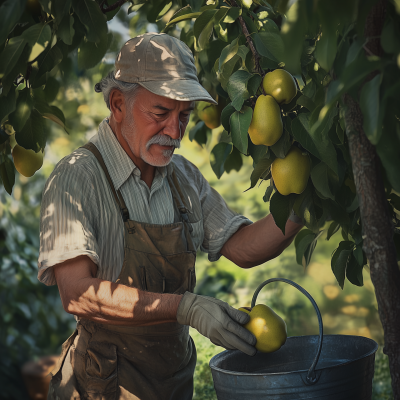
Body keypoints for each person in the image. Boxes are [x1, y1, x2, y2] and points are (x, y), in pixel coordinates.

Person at [38, 33, 303, 400]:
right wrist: (185, 306)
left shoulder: (182, 177)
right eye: (161, 113)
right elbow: (77, 294)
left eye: (184, 116)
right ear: (117, 104)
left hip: (172, 380)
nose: (175, 132)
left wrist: (303, 208)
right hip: (104, 384)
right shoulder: (77, 177)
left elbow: (241, 248)